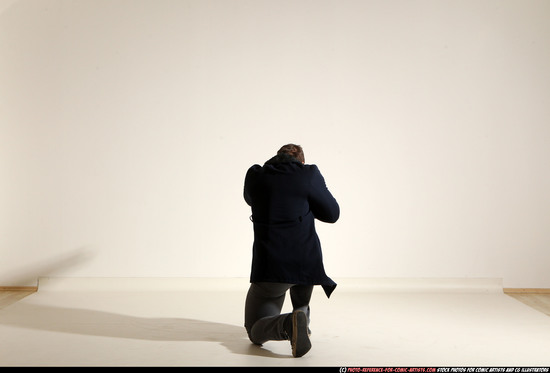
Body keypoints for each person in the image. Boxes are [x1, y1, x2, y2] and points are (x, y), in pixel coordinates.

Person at [243, 144, 340, 357]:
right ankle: (300, 317)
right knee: (302, 280)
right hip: (307, 264)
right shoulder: (308, 174)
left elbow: (251, 199)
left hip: (272, 268)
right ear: (301, 162)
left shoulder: (255, 176)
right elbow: (332, 214)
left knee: (255, 330)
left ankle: (289, 323)